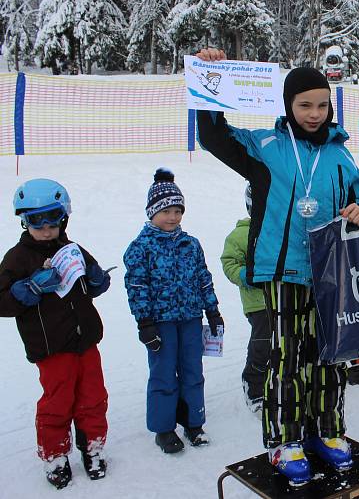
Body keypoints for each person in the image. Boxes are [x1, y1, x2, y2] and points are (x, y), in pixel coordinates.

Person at [194, 48, 359, 487]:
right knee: (287, 357)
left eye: (322, 105)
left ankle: (327, 431)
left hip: (331, 274)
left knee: (331, 356)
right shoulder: (266, 147)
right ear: (289, 106)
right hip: (283, 271)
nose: (314, 113)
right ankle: (286, 440)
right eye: (304, 105)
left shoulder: (343, 157)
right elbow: (215, 137)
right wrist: (210, 76)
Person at [0, 179, 111, 489]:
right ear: (23, 220)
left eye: (52, 218)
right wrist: (27, 290)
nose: (46, 227)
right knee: (57, 402)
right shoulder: (17, 258)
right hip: (51, 349)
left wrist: (98, 280)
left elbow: (93, 281)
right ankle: (55, 456)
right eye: (36, 220)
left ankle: (93, 447)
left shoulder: (72, 249)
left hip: (85, 341)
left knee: (93, 397)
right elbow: (2, 301)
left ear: (64, 217)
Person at [123, 168, 223, 455]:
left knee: (193, 371)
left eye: (178, 210)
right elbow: (137, 287)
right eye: (166, 210)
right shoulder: (140, 248)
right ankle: (164, 428)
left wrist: (213, 310)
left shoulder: (190, 244)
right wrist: (145, 323)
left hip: (191, 318)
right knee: (164, 374)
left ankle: (194, 422)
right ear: (152, 212)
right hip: (161, 323)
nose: (173, 217)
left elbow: (203, 277)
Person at [220, 183, 269, 412]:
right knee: (263, 344)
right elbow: (229, 262)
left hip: (285, 297)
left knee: (289, 341)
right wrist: (246, 275)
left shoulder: (282, 231)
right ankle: (254, 386)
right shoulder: (240, 234)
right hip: (258, 302)